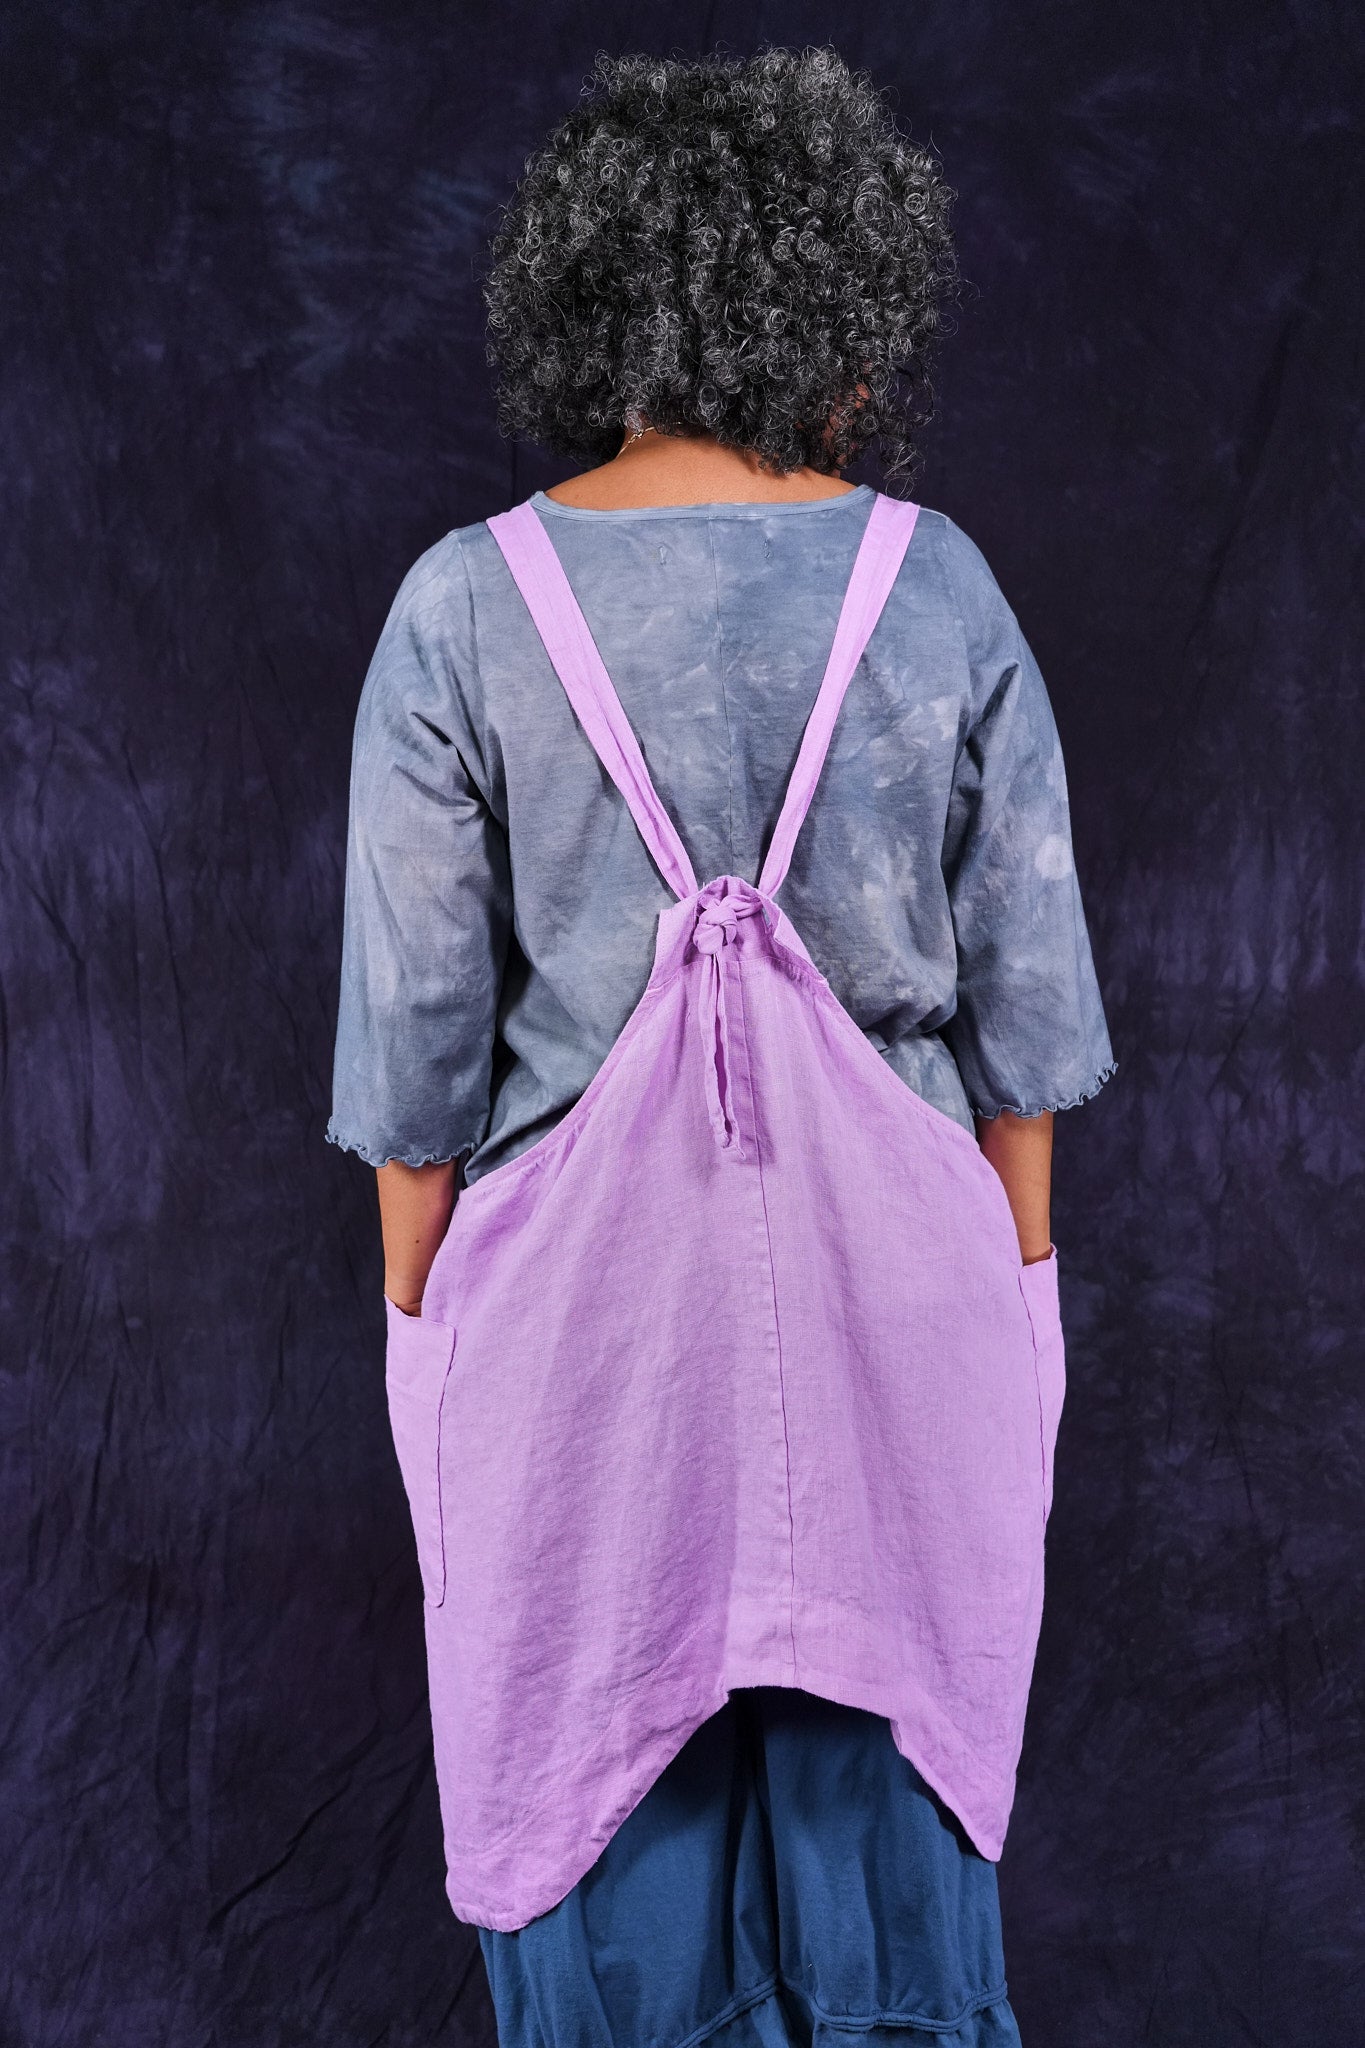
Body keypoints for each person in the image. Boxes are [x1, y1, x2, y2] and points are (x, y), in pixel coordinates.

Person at [328, 47, 1115, 2048]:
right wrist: (1014, 1315)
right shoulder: (935, 586)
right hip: (901, 1331)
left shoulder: (461, 609)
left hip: (581, 1362)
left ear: (584, 295)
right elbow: (1029, 1034)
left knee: (607, 1896)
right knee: (891, 1901)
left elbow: (412, 1071)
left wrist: (432, 1352)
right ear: (834, 291)